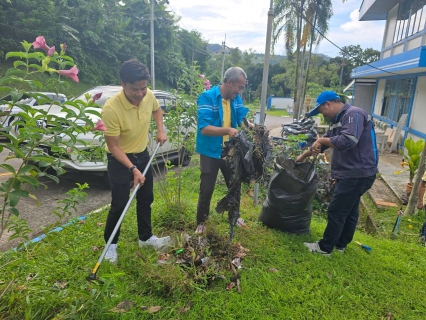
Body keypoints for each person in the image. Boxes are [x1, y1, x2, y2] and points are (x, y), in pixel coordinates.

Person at [101, 59, 170, 263]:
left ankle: (146, 238)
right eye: (134, 90)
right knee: (120, 204)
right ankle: (110, 245)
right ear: (123, 84)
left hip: (142, 154)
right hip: (120, 160)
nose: (140, 94)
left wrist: (160, 129)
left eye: (143, 88)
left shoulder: (147, 95)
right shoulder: (111, 109)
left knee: (146, 198)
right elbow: (114, 146)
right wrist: (132, 168)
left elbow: (157, 109)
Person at [296, 91, 378, 256]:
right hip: (355, 173)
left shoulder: (352, 114)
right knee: (350, 209)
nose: (322, 115)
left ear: (328, 104)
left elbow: (349, 140)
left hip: (357, 173)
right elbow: (323, 144)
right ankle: (341, 245)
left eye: (321, 111)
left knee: (337, 210)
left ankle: (325, 248)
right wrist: (302, 157)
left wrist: (322, 141)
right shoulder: (337, 121)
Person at [195, 67, 249, 233]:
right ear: (229, 82)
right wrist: (227, 130)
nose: (240, 92)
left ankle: (235, 215)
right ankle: (201, 222)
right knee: (207, 188)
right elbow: (204, 128)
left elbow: (240, 120)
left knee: (234, 185)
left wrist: (251, 127)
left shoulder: (236, 99)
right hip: (210, 151)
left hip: (230, 151)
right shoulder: (207, 98)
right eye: (239, 87)